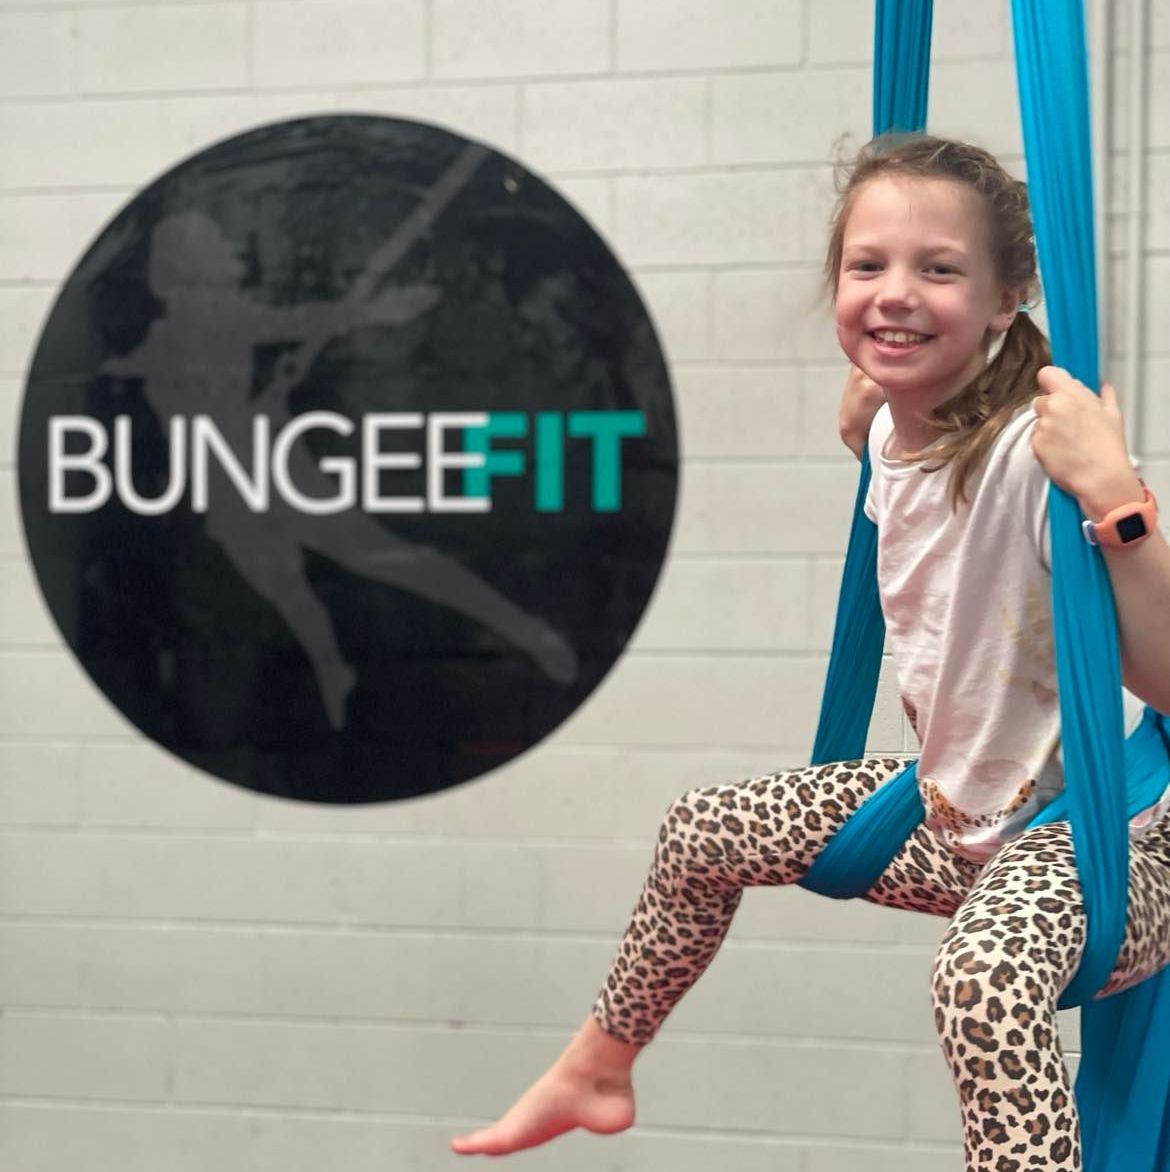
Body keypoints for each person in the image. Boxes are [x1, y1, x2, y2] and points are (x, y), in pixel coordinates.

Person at [449, 134, 1170, 1172]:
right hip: (961, 818)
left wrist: (1116, 503)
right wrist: (865, 427)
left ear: (1009, 297)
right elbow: (912, 472)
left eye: (940, 268)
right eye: (867, 266)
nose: (896, 294)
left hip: (1116, 842)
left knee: (985, 978)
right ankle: (599, 1063)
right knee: (702, 830)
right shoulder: (888, 426)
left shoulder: (1038, 451)